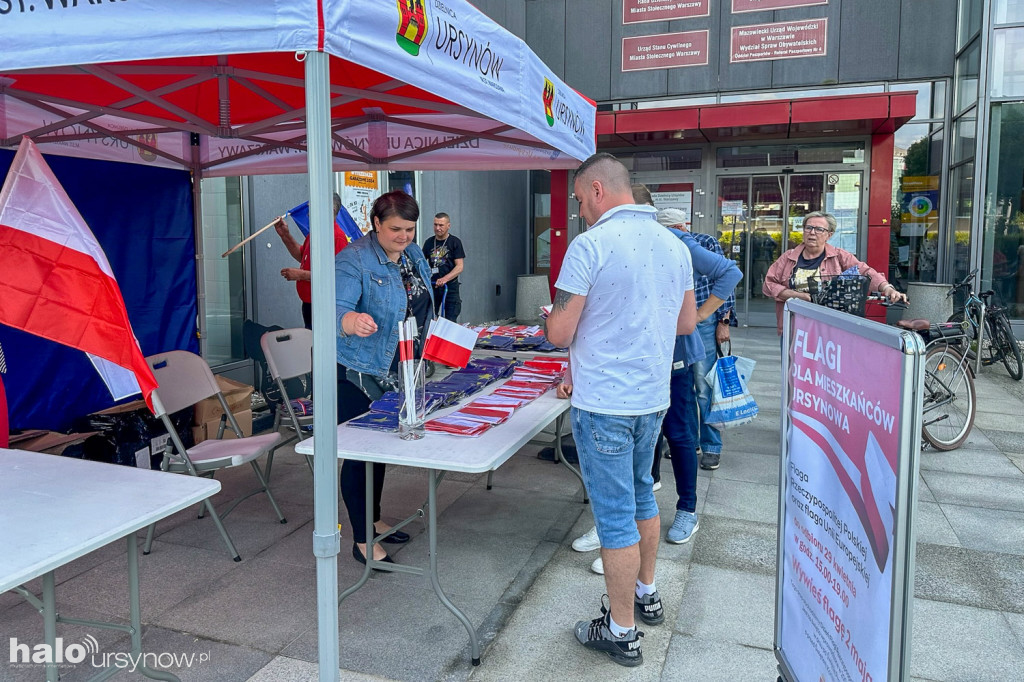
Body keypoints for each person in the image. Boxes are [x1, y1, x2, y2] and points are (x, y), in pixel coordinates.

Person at [546, 153, 695, 667]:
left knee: (614, 519)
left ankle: (621, 629)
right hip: (652, 397)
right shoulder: (676, 246)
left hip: (605, 400)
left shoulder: (589, 246)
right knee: (642, 499)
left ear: (597, 191)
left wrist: (555, 318)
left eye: (579, 199)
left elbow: (559, 332)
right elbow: (686, 322)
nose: (578, 209)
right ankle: (647, 591)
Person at [335, 190, 433, 566]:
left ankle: (374, 519)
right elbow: (334, 311)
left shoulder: (413, 253)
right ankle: (361, 540)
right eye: (395, 229)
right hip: (360, 370)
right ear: (375, 224)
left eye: (409, 229)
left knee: (381, 449)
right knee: (360, 453)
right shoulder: (353, 260)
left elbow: (424, 299)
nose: (404, 236)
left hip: (402, 367)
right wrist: (351, 321)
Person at [762, 211, 906, 337]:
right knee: (793, 367)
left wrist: (887, 288)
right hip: (794, 326)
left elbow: (865, 271)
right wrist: (798, 296)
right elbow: (769, 284)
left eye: (819, 229)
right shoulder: (788, 257)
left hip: (829, 327)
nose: (812, 233)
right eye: (809, 228)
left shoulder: (839, 256)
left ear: (829, 235)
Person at [275, 193, 349, 329]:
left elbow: (336, 275)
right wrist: (285, 235)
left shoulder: (337, 237)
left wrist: (300, 275)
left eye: (313, 208)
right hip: (310, 303)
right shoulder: (316, 233)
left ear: (330, 211)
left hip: (324, 305)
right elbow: (302, 255)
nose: (308, 214)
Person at [422, 212, 466, 321]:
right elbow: (422, 264)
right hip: (433, 286)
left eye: (441, 225)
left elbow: (459, 267)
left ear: (448, 226)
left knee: (450, 318)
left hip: (450, 286)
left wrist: (445, 279)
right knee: (429, 317)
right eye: (435, 225)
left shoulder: (454, 242)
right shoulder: (429, 242)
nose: (438, 228)